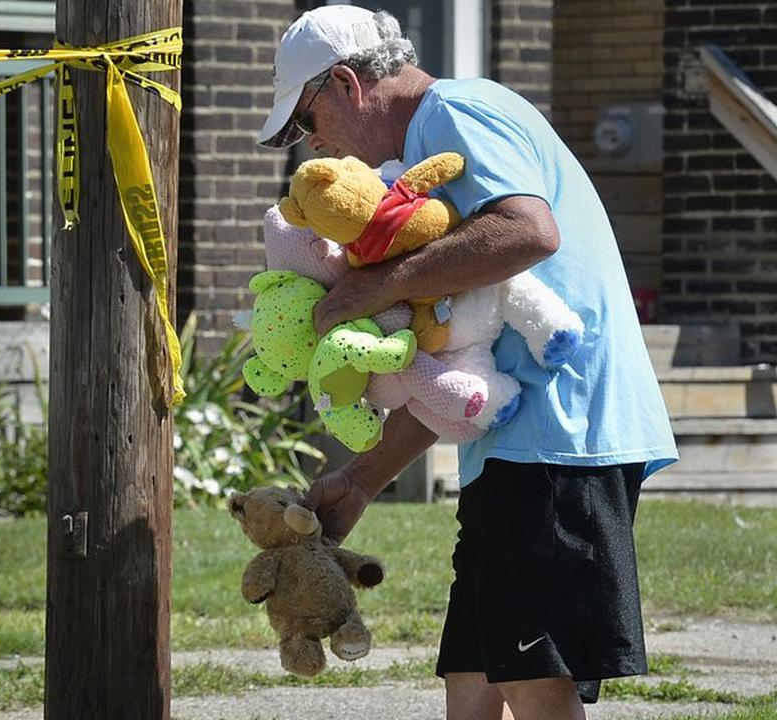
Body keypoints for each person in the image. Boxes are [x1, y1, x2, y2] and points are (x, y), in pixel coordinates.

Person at [256, 6, 679, 720]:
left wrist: (378, 286)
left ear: (346, 88)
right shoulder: (419, 161)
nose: (312, 148)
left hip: (558, 436)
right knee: (472, 681)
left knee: (530, 680)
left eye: (305, 123)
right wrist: (360, 481)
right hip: (519, 442)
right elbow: (458, 376)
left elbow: (527, 231)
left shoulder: (454, 110)